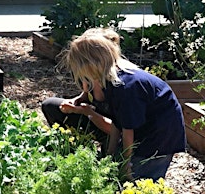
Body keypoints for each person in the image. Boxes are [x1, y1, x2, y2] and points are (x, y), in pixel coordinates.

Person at [41, 28, 186, 181]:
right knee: (112, 174)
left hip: (158, 136)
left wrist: (126, 165)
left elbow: (128, 130)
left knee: (136, 183)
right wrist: (109, 157)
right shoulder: (109, 79)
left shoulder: (126, 86)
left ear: (91, 65)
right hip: (138, 127)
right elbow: (118, 123)